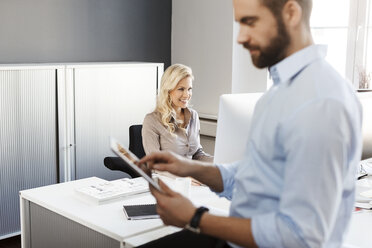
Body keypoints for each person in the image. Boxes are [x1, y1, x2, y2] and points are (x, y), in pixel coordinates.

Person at [136, 0, 363, 247]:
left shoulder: (320, 102)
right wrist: (190, 168)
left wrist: (195, 217)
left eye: (250, 22)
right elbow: (253, 176)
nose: (240, 38)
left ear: (291, 13)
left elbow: (300, 236)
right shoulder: (278, 94)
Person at [142, 63, 213, 162]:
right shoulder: (152, 120)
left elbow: (197, 154)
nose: (186, 95)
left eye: (189, 89)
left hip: (191, 175)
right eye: (181, 89)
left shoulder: (193, 116)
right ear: (168, 90)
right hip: (168, 176)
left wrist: (220, 162)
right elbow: (155, 163)